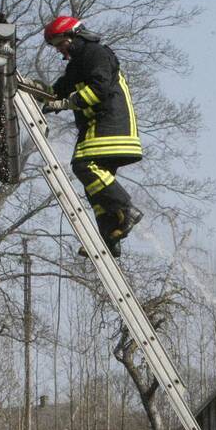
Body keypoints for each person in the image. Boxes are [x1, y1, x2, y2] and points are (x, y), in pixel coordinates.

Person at [41, 15, 143, 258]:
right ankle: (110, 238)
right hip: (99, 125)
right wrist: (35, 90)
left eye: (60, 45)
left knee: (83, 165)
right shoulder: (78, 64)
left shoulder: (96, 54)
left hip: (110, 125)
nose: (60, 52)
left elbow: (99, 88)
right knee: (95, 189)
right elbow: (57, 89)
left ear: (73, 36)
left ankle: (126, 209)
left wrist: (65, 104)